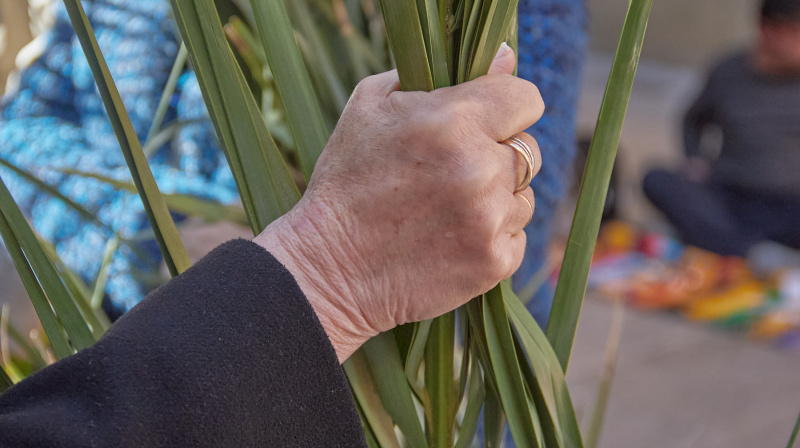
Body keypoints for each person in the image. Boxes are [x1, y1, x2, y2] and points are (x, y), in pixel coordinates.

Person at [0, 48, 544, 446]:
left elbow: (476, 212)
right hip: (154, 352)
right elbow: (17, 131)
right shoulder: (119, 13)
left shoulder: (374, 30)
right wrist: (158, 229)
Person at [643, 0, 800, 263]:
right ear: (767, 30)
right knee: (657, 180)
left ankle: (724, 244)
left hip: (790, 205)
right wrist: (695, 158)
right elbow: (692, 119)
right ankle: (751, 252)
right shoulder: (729, 71)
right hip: (730, 195)